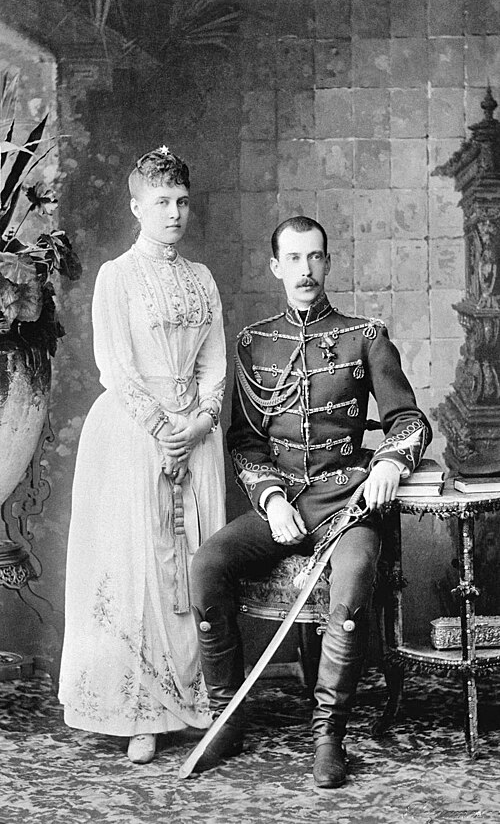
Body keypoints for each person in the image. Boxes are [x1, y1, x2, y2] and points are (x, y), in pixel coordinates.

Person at [189, 215, 432, 787]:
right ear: (276, 267)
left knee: (349, 591)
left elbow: (410, 421)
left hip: (347, 503)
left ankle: (329, 735)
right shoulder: (254, 342)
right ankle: (226, 718)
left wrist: (391, 462)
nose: (306, 270)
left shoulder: (364, 336)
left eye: (315, 257)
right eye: (294, 259)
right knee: (207, 567)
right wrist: (272, 501)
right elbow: (246, 444)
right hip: (282, 505)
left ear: (328, 262)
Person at [58, 146, 227, 764]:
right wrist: (163, 428)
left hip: (196, 438)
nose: (175, 213)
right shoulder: (116, 276)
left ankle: (198, 701)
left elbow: (216, 364)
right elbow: (115, 367)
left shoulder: (202, 278)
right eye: (162, 203)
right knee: (142, 570)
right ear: (136, 208)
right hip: (134, 435)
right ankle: (142, 714)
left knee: (193, 565)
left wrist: (200, 422)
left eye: (182, 202)